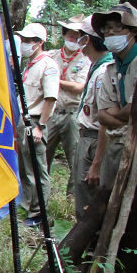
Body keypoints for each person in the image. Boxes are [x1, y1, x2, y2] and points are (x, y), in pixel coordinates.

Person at [91, 2, 137, 191]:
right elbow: (102, 114)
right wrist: (126, 118)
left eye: (116, 28)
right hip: (117, 144)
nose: (109, 33)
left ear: (132, 31)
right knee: (108, 195)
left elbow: (136, 108)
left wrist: (119, 114)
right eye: (106, 28)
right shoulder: (111, 67)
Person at [13, 22, 60, 225]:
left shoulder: (48, 66)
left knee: (37, 168)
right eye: (22, 40)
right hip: (25, 120)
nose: (23, 44)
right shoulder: (30, 64)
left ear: (39, 43)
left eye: (28, 41)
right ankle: (28, 205)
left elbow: (50, 98)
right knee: (25, 166)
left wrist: (40, 126)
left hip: (35, 121)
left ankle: (38, 213)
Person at [70, 16, 111, 217]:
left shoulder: (104, 72)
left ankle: (92, 244)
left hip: (95, 140)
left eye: (80, 37)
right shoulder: (96, 68)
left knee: (89, 194)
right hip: (87, 137)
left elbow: (104, 120)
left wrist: (96, 162)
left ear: (87, 40)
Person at [47, 16, 93, 180]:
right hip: (51, 111)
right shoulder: (51, 56)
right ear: (64, 35)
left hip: (72, 113)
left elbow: (79, 87)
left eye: (77, 36)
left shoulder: (86, 59)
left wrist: (53, 80)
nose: (73, 39)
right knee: (43, 154)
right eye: (70, 35)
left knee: (75, 158)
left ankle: (72, 197)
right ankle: (38, 196)